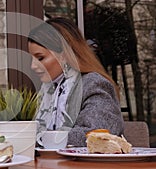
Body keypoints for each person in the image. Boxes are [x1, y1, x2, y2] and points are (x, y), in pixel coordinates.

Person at [28, 17, 124, 147]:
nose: (33, 66)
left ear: (64, 55)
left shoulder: (93, 84)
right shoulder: (48, 91)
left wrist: (38, 138)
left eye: (40, 58)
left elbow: (97, 134)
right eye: (32, 58)